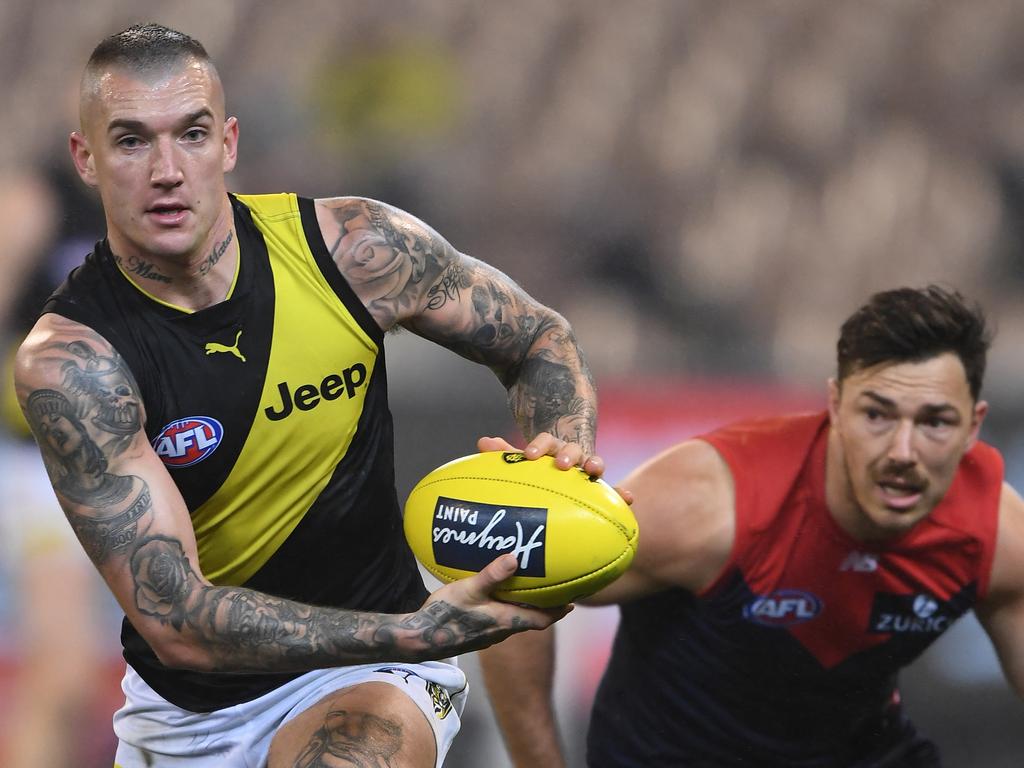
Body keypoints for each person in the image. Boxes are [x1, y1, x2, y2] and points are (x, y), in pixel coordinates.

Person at [12, 23, 604, 768]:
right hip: (190, 716)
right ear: (85, 159)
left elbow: (538, 340)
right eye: (132, 141)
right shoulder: (73, 363)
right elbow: (180, 621)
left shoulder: (356, 252)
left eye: (190, 135)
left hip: (374, 676)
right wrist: (418, 630)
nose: (167, 169)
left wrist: (562, 446)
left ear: (227, 144)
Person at [480, 285, 1024, 767]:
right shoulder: (708, 505)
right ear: (835, 405)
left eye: (934, 421)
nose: (903, 452)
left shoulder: (994, 532)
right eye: (877, 415)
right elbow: (514, 580)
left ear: (973, 425)